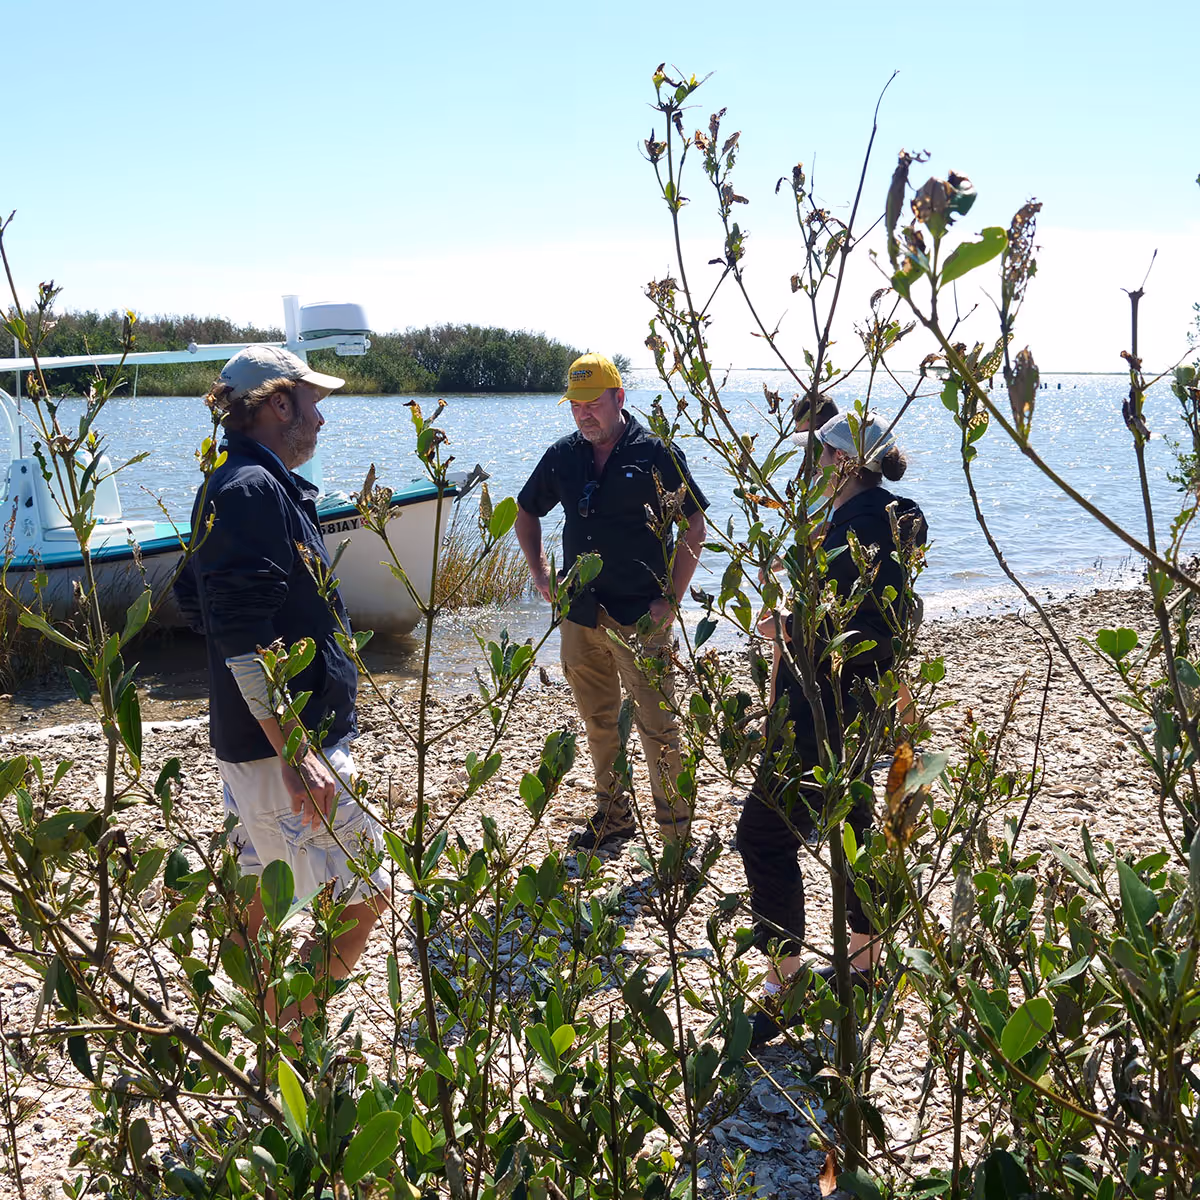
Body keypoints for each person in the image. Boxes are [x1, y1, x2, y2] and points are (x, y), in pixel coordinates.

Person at [175, 345, 389, 1005]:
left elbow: (192, 594)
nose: (321, 421)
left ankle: (248, 1035)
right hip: (283, 750)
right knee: (365, 891)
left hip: (262, 744)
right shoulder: (247, 488)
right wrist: (296, 748)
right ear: (279, 403)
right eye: (313, 403)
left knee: (263, 896)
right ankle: (289, 1042)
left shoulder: (245, 483)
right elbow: (236, 626)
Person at [737, 411, 927, 1045]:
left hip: (825, 707)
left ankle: (785, 984)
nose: (813, 466)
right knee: (854, 820)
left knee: (763, 832)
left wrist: (787, 628)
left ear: (847, 463)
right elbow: (882, 617)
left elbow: (855, 628)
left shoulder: (858, 527)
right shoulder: (888, 521)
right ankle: (867, 964)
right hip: (861, 705)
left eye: (821, 456)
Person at [515, 353, 709, 852]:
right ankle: (614, 817)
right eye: (575, 405)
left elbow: (694, 525)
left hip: (642, 616)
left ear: (619, 399)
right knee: (599, 721)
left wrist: (671, 598)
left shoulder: (655, 453)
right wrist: (540, 577)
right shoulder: (563, 455)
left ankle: (675, 837)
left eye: (592, 403)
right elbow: (525, 513)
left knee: (658, 726)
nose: (583, 414)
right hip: (581, 615)